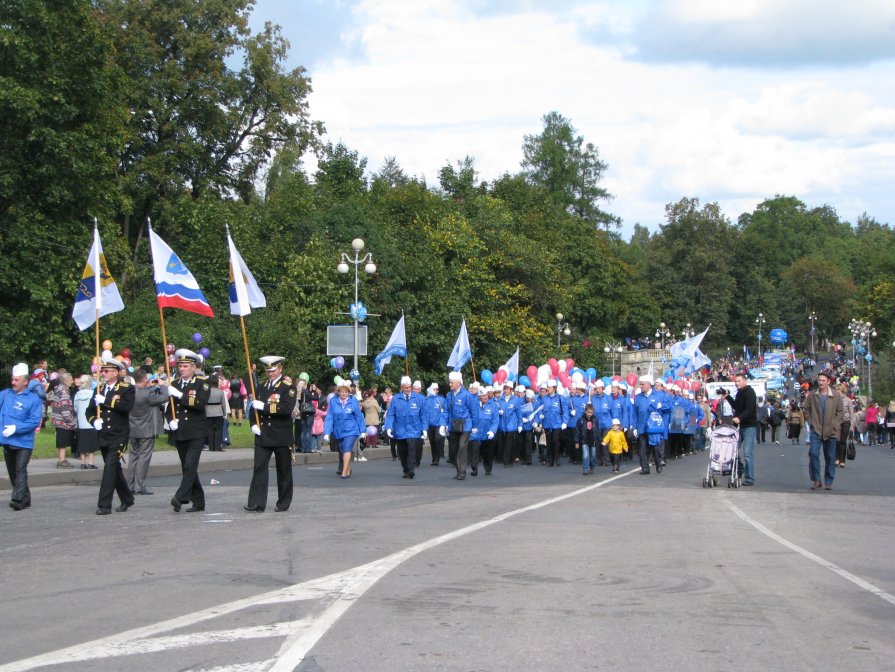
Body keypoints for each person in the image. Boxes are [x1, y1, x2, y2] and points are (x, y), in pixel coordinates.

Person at [245, 356, 296, 511]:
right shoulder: (261, 387)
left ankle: (283, 503)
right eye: (268, 371)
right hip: (263, 434)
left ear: (280, 369)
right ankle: (257, 502)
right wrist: (253, 423)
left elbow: (286, 409)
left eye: (273, 370)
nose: (270, 373)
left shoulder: (288, 387)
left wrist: (265, 407)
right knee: (259, 468)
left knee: (283, 470)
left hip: (281, 434)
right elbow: (254, 408)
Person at [86, 358, 136, 515]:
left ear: (115, 373)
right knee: (114, 468)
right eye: (102, 370)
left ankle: (104, 504)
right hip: (104, 434)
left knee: (109, 468)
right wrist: (94, 421)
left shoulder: (126, 388)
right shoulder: (99, 389)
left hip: (119, 434)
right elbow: (89, 410)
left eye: (107, 371)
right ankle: (127, 498)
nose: (103, 373)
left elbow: (126, 407)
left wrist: (107, 401)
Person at [166, 349, 211, 513]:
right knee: (187, 468)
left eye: (185, 366)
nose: (182, 369)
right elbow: (169, 408)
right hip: (180, 432)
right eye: (180, 366)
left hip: (196, 431)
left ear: (193, 367)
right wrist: (171, 421)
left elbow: (199, 404)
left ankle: (180, 497)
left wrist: (180, 395)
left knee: (190, 464)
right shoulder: (175, 384)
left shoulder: (202, 383)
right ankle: (199, 502)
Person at [1, 363, 44, 510]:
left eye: (16, 380)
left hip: (23, 443)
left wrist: (16, 428)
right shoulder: (5, 394)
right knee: (13, 472)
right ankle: (25, 499)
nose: (13, 382)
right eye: (12, 379)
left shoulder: (33, 399)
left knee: (20, 470)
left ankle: (18, 500)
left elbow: (33, 421)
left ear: (25, 381)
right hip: (7, 440)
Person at [127, 368, 168, 495]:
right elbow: (164, 397)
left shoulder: (130, 391)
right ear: (145, 379)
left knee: (133, 456)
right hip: (146, 429)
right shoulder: (147, 394)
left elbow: (144, 393)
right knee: (144, 458)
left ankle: (130, 485)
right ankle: (140, 486)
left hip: (132, 428)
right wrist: (162, 386)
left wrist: (149, 386)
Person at [804, 370, 843, 490]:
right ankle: (816, 480)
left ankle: (828, 481)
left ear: (828, 382)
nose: (821, 382)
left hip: (830, 431)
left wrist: (835, 425)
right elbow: (806, 410)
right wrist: (811, 423)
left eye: (823, 381)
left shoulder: (836, 395)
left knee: (830, 457)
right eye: (819, 380)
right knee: (813, 453)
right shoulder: (812, 395)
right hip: (816, 429)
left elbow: (840, 412)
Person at [384, 376, 427, 479]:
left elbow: (423, 415)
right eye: (405, 387)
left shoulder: (419, 398)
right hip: (400, 429)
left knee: (412, 449)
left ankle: (411, 469)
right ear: (401, 387)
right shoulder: (396, 398)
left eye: (409, 387)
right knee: (402, 452)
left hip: (414, 429)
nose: (407, 389)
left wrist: (424, 429)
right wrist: (388, 427)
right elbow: (391, 414)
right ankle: (406, 469)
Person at [324, 382, 365, 479]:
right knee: (343, 450)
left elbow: (359, 416)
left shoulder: (353, 400)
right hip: (338, 430)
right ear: (338, 392)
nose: (343, 394)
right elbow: (329, 417)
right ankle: (348, 469)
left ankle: (344, 472)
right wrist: (327, 432)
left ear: (348, 392)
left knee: (347, 448)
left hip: (351, 430)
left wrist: (363, 430)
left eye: (346, 392)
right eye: (341, 392)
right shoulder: (333, 401)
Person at [445, 371, 478, 480]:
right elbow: (446, 411)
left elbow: (474, 411)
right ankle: (458, 470)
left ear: (458, 383)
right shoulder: (449, 395)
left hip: (465, 425)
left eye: (452, 383)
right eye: (449, 383)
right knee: (453, 449)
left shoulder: (467, 395)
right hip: (453, 425)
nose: (450, 385)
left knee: (462, 447)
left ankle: (462, 471)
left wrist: (474, 426)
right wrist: (444, 424)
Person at [731, 374, 758, 486]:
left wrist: (739, 418)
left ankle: (750, 478)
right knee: (732, 450)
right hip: (739, 426)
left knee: (747, 453)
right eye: (736, 381)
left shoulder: (750, 392)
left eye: (739, 381)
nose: (737, 383)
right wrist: (727, 397)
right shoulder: (739, 393)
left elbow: (749, 409)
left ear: (745, 381)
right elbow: (736, 407)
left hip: (749, 426)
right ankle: (740, 468)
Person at [48, 372, 77, 468]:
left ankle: (61, 459)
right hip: (63, 421)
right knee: (63, 442)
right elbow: (65, 408)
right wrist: (72, 421)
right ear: (65, 381)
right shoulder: (64, 392)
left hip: (57, 420)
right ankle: (62, 461)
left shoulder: (58, 390)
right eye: (71, 379)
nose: (72, 381)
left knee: (61, 441)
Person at [469, 386, 499, 476]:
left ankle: (488, 469)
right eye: (483, 395)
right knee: (474, 452)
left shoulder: (492, 405)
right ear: (479, 396)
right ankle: (474, 469)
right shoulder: (473, 404)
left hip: (487, 433)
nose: (485, 397)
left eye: (486, 395)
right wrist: (471, 428)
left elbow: (495, 420)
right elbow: (469, 417)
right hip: (476, 433)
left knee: (488, 453)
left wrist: (492, 431)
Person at [72, 374, 98, 469]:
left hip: (81, 421)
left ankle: (83, 462)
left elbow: (75, 407)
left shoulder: (77, 395)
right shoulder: (92, 393)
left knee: (82, 442)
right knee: (91, 443)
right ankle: (91, 462)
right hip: (90, 421)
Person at [424, 383, 447, 466]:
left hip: (439, 424)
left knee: (438, 439)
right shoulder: (426, 400)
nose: (435, 391)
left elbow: (445, 411)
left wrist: (444, 423)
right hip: (430, 424)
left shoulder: (441, 399)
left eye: (437, 389)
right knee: (432, 441)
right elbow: (425, 413)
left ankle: (437, 457)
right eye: (434, 389)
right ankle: (434, 458)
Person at [205, 373, 228, 452]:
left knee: (210, 430)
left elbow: (204, 403)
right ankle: (218, 446)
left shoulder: (206, 392)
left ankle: (211, 446)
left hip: (208, 411)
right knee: (218, 430)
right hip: (218, 411)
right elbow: (223, 404)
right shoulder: (221, 392)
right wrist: (225, 413)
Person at [575, 403, 599, 474]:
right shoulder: (581, 420)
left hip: (593, 440)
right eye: (588, 412)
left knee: (593, 456)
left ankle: (592, 467)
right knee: (586, 455)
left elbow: (598, 430)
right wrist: (576, 442)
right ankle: (586, 468)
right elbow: (577, 431)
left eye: (591, 412)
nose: (589, 414)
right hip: (584, 440)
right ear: (585, 411)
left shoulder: (595, 419)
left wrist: (598, 440)